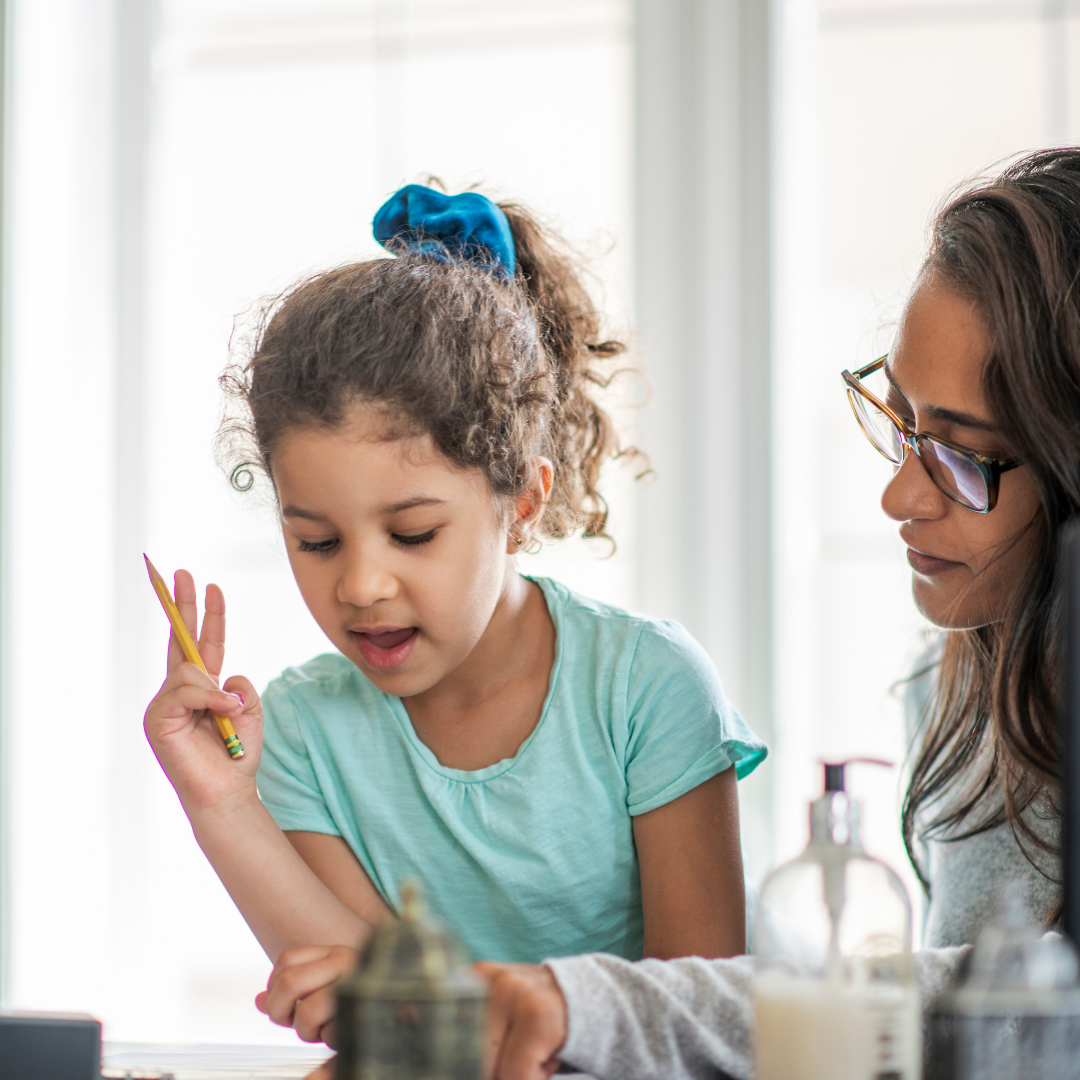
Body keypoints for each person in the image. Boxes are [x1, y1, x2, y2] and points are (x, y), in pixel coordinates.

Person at [275, 149, 1080, 1080]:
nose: (899, 496)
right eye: (901, 425)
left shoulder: (639, 683)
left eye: (963, 454)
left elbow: (1039, 1007)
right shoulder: (951, 677)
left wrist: (574, 1003)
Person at [142, 185, 767, 1022]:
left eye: (412, 534)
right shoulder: (298, 733)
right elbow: (385, 1014)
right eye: (317, 542)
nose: (360, 587)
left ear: (520, 505)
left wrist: (441, 1015)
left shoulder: (644, 686)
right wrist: (222, 805)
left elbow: (700, 1015)